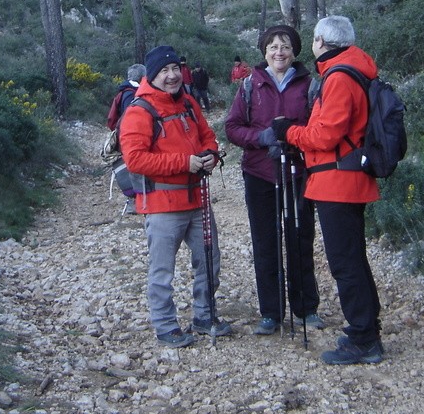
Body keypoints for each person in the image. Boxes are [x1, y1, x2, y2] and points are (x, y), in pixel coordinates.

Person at [266, 15, 384, 365]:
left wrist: (288, 132)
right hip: (345, 178)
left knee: (345, 263)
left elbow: (325, 136)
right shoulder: (350, 69)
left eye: (313, 40)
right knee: (353, 259)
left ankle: (363, 337)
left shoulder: (339, 76)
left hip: (338, 181)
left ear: (320, 41)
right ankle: (367, 328)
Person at [120, 45, 233, 348]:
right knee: (162, 270)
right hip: (162, 204)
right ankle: (166, 325)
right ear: (152, 75)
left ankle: (204, 315)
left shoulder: (188, 103)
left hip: (197, 198)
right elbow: (135, 160)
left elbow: (207, 135)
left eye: (174, 70)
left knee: (209, 260)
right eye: (164, 71)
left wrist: (210, 154)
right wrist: (184, 163)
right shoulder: (139, 111)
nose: (171, 76)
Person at [225, 25, 323, 336]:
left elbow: (318, 126)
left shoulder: (309, 84)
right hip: (260, 173)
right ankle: (271, 311)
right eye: (273, 47)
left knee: (299, 239)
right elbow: (232, 127)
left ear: (295, 52)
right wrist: (262, 137)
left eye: (285, 47)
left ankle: (305, 308)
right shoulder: (250, 85)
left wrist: (295, 139)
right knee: (265, 242)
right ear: (264, 51)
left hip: (297, 172)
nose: (279, 52)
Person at [106, 63, 147, 214]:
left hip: (126, 135)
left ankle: (137, 200)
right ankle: (135, 202)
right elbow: (132, 117)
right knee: (134, 167)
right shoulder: (131, 94)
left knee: (133, 166)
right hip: (130, 136)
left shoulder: (125, 91)